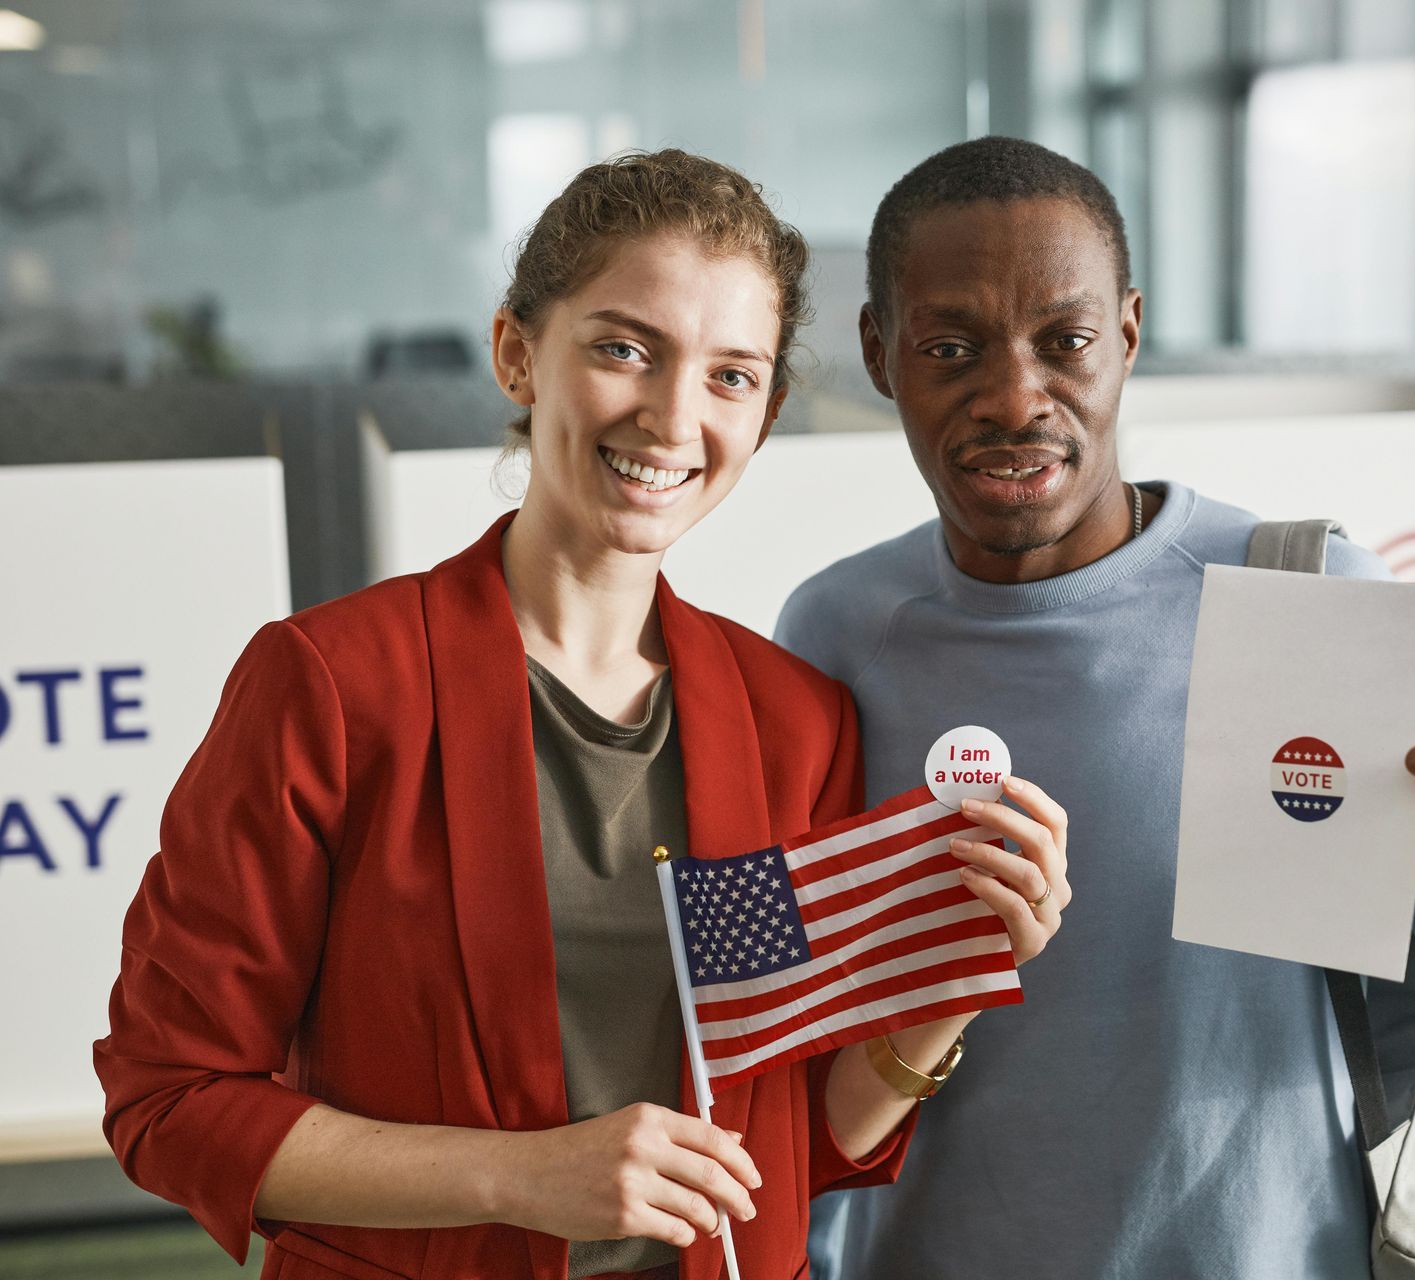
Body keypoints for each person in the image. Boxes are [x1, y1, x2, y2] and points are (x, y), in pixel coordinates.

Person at [93, 150, 1070, 1280]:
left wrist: (945, 988)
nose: (670, 417)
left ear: (767, 412)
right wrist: (519, 1172)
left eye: (729, 375)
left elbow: (785, 1142)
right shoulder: (332, 685)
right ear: (518, 352)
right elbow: (168, 1098)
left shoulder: (790, 721)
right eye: (623, 348)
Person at [774, 136, 1415, 1280]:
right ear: (879, 350)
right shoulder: (831, 635)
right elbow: (798, 1034)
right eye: (951, 347)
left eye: (1065, 341)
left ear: (1127, 332)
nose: (1016, 397)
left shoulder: (1302, 604)